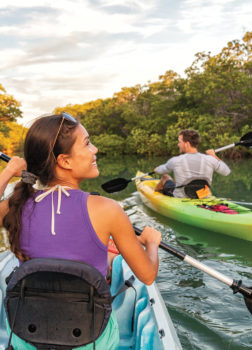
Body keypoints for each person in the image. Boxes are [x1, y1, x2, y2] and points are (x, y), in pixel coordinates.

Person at [0, 113, 162, 349]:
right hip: (91, 340)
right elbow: (147, 276)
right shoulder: (108, 209)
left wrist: (8, 172)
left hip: (27, 336)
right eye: (87, 143)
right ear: (64, 161)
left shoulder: (15, 205)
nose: (95, 149)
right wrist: (152, 244)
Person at [154, 129, 230, 198]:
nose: (178, 144)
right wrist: (214, 156)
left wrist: (156, 169)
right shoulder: (210, 159)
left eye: (180, 142)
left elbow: (161, 170)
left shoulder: (176, 160)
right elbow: (226, 172)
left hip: (181, 197)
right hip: (203, 196)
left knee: (165, 177)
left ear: (186, 144)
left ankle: (154, 196)